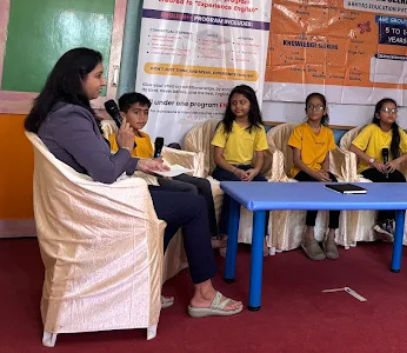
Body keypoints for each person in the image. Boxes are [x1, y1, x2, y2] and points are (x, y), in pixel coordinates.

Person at [25, 48, 242, 317]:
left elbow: (96, 160)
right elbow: (105, 172)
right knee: (194, 205)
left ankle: (142, 283)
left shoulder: (61, 112)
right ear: (77, 78)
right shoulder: (69, 117)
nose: (103, 82)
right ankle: (204, 295)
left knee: (183, 205)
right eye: (98, 75)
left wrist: (140, 163)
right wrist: (126, 148)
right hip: (99, 203)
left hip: (93, 195)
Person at [107, 92, 220, 247]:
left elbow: (150, 159)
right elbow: (120, 163)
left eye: (146, 112)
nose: (142, 117)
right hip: (145, 178)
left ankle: (211, 234)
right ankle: (189, 236)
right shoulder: (117, 137)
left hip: (158, 173)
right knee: (190, 189)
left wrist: (157, 162)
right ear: (122, 115)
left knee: (203, 184)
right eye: (136, 112)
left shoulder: (145, 137)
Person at [349, 98, 407, 242]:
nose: (391, 113)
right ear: (378, 115)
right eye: (386, 110)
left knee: (400, 180)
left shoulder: (397, 131)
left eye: (394, 110)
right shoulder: (371, 129)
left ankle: (389, 221)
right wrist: (373, 161)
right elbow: (353, 148)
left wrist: (396, 161)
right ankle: (383, 221)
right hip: (369, 168)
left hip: (388, 169)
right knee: (384, 180)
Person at [211, 84, 270, 253]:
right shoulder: (225, 126)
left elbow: (260, 156)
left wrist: (255, 171)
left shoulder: (258, 128)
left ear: (251, 104)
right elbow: (217, 158)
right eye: (234, 103)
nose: (238, 106)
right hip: (226, 168)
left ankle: (262, 238)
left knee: (265, 188)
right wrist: (235, 171)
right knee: (234, 189)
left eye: (242, 102)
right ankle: (225, 236)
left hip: (248, 169)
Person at [288, 93, 341, 261]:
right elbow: (296, 160)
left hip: (319, 172)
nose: (314, 109)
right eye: (310, 106)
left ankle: (331, 236)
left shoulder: (328, 133)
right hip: (302, 171)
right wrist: (315, 175)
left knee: (337, 188)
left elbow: (326, 159)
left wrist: (324, 172)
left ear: (325, 110)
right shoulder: (299, 130)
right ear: (306, 110)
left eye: (318, 106)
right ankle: (309, 236)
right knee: (315, 188)